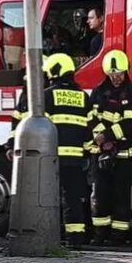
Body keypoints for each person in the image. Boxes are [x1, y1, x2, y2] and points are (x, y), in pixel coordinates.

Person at [87, 50, 132, 246]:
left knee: (121, 198)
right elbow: (91, 118)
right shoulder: (98, 91)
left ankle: (118, 236)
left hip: (123, 157)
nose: (116, 78)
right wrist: (102, 140)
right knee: (100, 196)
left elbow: (131, 122)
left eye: (119, 74)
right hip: (101, 154)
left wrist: (108, 136)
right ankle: (100, 234)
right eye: (112, 75)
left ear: (126, 71)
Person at [42, 54, 91, 248]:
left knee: (50, 198)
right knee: (73, 198)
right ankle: (75, 238)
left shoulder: (47, 95)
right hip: (77, 159)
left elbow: (42, 128)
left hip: (53, 158)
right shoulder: (82, 96)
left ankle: (53, 237)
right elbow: (91, 129)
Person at [5, 56, 48, 161]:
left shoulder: (49, 94)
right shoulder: (25, 95)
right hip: (28, 149)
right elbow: (16, 123)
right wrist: (11, 146)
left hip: (46, 148)